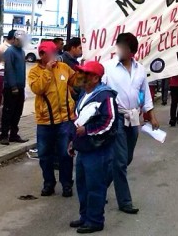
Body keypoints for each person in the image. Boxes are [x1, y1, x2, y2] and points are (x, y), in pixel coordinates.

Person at [103, 33, 159, 215]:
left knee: (126, 159)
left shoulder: (140, 70)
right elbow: (99, 91)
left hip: (133, 117)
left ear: (132, 51)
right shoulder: (108, 67)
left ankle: (99, 186)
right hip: (115, 117)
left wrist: (150, 114)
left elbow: (145, 94)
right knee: (119, 161)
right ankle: (125, 201)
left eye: (125, 48)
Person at [69, 61, 118, 234]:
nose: (81, 76)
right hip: (85, 149)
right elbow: (79, 120)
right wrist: (73, 142)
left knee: (95, 186)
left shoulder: (105, 96)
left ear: (96, 78)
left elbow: (109, 122)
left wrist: (87, 130)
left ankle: (95, 220)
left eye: (86, 73)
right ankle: (85, 217)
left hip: (98, 151)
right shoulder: (85, 94)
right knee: (82, 186)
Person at [28, 41, 77, 197]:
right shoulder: (34, 72)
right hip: (45, 121)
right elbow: (38, 88)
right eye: (51, 53)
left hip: (65, 120)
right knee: (45, 155)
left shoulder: (64, 68)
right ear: (42, 55)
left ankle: (67, 184)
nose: (55, 56)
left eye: (56, 52)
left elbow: (77, 81)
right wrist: (48, 70)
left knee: (65, 154)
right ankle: (48, 183)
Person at [0, 30, 29, 145]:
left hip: (20, 86)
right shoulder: (10, 51)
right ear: (15, 39)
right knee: (8, 111)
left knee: (17, 112)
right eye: (19, 40)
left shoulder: (21, 52)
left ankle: (13, 134)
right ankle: (4, 135)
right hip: (11, 87)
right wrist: (13, 86)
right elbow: (9, 69)